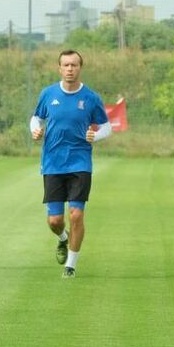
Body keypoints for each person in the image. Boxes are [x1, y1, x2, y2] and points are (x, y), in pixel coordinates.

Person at [30, 49, 111, 278]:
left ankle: (71, 266)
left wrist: (97, 136)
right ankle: (63, 238)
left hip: (80, 163)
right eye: (66, 65)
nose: (70, 69)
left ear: (80, 68)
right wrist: (35, 130)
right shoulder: (48, 94)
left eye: (74, 65)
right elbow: (36, 117)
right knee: (55, 220)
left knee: (76, 215)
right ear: (59, 68)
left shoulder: (91, 98)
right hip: (53, 163)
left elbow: (106, 126)